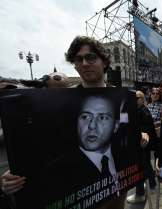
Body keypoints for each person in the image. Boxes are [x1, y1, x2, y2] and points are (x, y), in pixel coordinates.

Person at [1, 36, 149, 209]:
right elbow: (45, 147)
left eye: (91, 57)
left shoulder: (124, 99)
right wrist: (19, 173)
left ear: (104, 61)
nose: (85, 63)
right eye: (78, 59)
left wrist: (141, 137)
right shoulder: (61, 102)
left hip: (116, 198)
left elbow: (130, 135)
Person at [127, 91, 157, 203]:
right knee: (146, 165)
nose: (134, 100)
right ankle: (151, 185)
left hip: (142, 144)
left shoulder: (142, 111)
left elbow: (146, 129)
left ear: (142, 98)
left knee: (139, 167)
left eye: (137, 98)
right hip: (144, 145)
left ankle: (140, 194)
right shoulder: (141, 109)